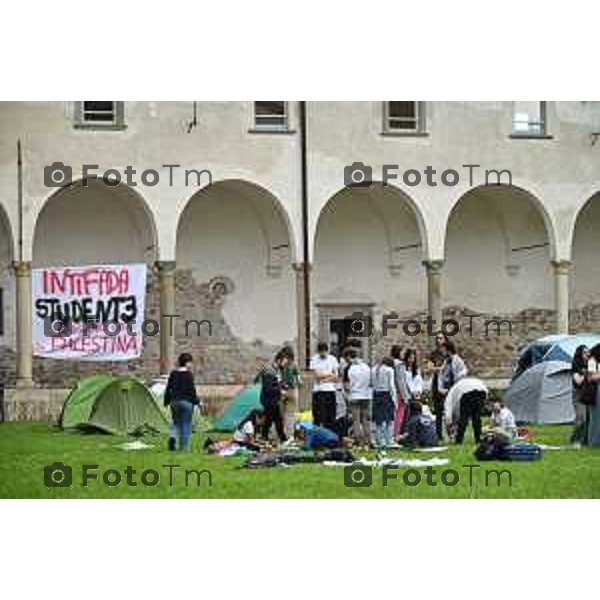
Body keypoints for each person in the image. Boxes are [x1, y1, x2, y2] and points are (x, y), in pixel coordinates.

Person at [256, 347, 294, 444]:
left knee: (269, 419)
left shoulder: (278, 369)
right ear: (280, 359)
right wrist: (281, 391)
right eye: (287, 361)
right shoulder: (269, 370)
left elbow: (277, 383)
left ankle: (264, 437)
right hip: (268, 399)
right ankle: (283, 439)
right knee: (278, 419)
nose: (287, 364)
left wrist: (284, 385)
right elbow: (269, 387)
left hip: (273, 399)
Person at [164, 352, 200, 452]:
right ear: (187, 363)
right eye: (191, 363)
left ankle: (173, 437)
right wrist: (197, 402)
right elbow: (191, 390)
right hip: (186, 402)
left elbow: (168, 388)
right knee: (185, 424)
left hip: (174, 402)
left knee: (175, 422)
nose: (191, 365)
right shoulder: (189, 375)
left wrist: (166, 401)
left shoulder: (173, 373)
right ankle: (184, 448)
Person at [346, 348, 373, 448]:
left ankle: (358, 441)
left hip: (355, 395)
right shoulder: (366, 367)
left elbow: (349, 384)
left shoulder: (351, 369)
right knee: (366, 420)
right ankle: (368, 440)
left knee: (356, 420)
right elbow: (370, 381)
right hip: (366, 395)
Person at [309, 342, 339, 431]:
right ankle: (317, 433)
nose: (323, 354)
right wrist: (330, 374)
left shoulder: (332, 359)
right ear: (318, 352)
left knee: (330, 415)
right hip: (318, 390)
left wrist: (324, 378)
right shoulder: (314, 359)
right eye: (321, 352)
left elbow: (336, 376)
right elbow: (317, 375)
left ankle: (330, 434)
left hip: (330, 390)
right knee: (318, 415)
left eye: (324, 352)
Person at [371, 356, 397, 448]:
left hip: (376, 395)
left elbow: (371, 384)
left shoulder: (374, 369)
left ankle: (379, 440)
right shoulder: (389, 370)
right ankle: (388, 440)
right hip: (386, 395)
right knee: (389, 419)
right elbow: (391, 385)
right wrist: (394, 399)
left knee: (378, 420)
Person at [429, 332, 449, 442]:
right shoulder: (434, 354)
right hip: (436, 384)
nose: (438, 340)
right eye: (437, 338)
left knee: (449, 410)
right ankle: (438, 434)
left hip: (447, 384)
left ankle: (451, 433)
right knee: (438, 411)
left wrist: (439, 368)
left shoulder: (449, 354)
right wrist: (441, 368)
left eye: (440, 338)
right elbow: (430, 367)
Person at [571, 344, 591, 445]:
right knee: (581, 418)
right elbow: (578, 381)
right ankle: (575, 440)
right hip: (578, 394)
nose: (587, 354)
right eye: (584, 352)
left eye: (588, 352)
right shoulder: (576, 364)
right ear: (580, 353)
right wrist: (586, 373)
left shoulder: (590, 364)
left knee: (587, 419)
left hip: (588, 393)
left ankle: (583, 440)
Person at [391, 345, 410, 437]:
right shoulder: (400, 364)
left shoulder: (390, 363)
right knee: (399, 416)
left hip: (392, 392)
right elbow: (401, 381)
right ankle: (396, 434)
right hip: (399, 393)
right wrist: (405, 396)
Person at [281, 350, 302, 435]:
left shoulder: (287, 366)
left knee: (288, 414)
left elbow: (299, 379)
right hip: (288, 390)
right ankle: (288, 435)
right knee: (289, 414)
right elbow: (299, 379)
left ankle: (287, 434)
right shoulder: (290, 366)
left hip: (288, 390)